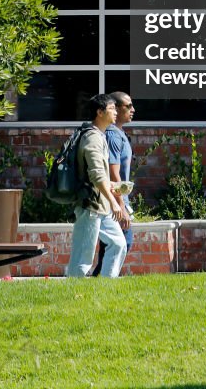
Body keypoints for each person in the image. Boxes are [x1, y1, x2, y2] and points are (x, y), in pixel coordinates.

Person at [66, 94, 127, 278]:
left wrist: (115, 188)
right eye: (111, 109)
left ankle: (107, 287)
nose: (116, 112)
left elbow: (100, 175)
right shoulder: (92, 137)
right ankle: (73, 294)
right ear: (99, 112)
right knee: (83, 256)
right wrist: (114, 202)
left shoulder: (100, 136)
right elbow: (96, 174)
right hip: (90, 205)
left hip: (101, 204)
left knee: (118, 244)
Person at [92, 91, 135, 276]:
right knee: (122, 242)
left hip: (115, 198)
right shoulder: (113, 136)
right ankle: (103, 280)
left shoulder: (119, 133)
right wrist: (121, 205)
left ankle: (102, 281)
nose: (133, 110)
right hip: (113, 200)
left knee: (114, 245)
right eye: (129, 106)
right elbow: (113, 173)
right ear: (116, 108)